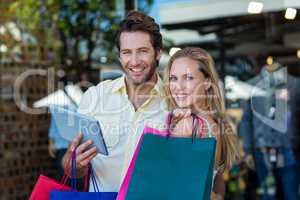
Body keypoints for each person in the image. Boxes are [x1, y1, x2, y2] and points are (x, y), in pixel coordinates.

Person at [62, 10, 168, 192]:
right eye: (127, 52)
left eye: (143, 51)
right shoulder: (96, 97)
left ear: (158, 53)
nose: (134, 61)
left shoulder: (175, 101)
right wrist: (75, 164)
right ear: (120, 56)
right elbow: (70, 165)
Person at [164, 47, 241, 199]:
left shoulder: (189, 124)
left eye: (188, 78)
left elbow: (165, 181)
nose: (178, 87)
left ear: (207, 82)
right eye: (173, 78)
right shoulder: (216, 123)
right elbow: (218, 188)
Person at [239, 63, 300, 200]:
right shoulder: (250, 85)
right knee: (268, 195)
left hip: (289, 150)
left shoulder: (296, 84)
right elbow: (246, 120)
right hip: (262, 151)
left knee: (291, 194)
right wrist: (247, 150)